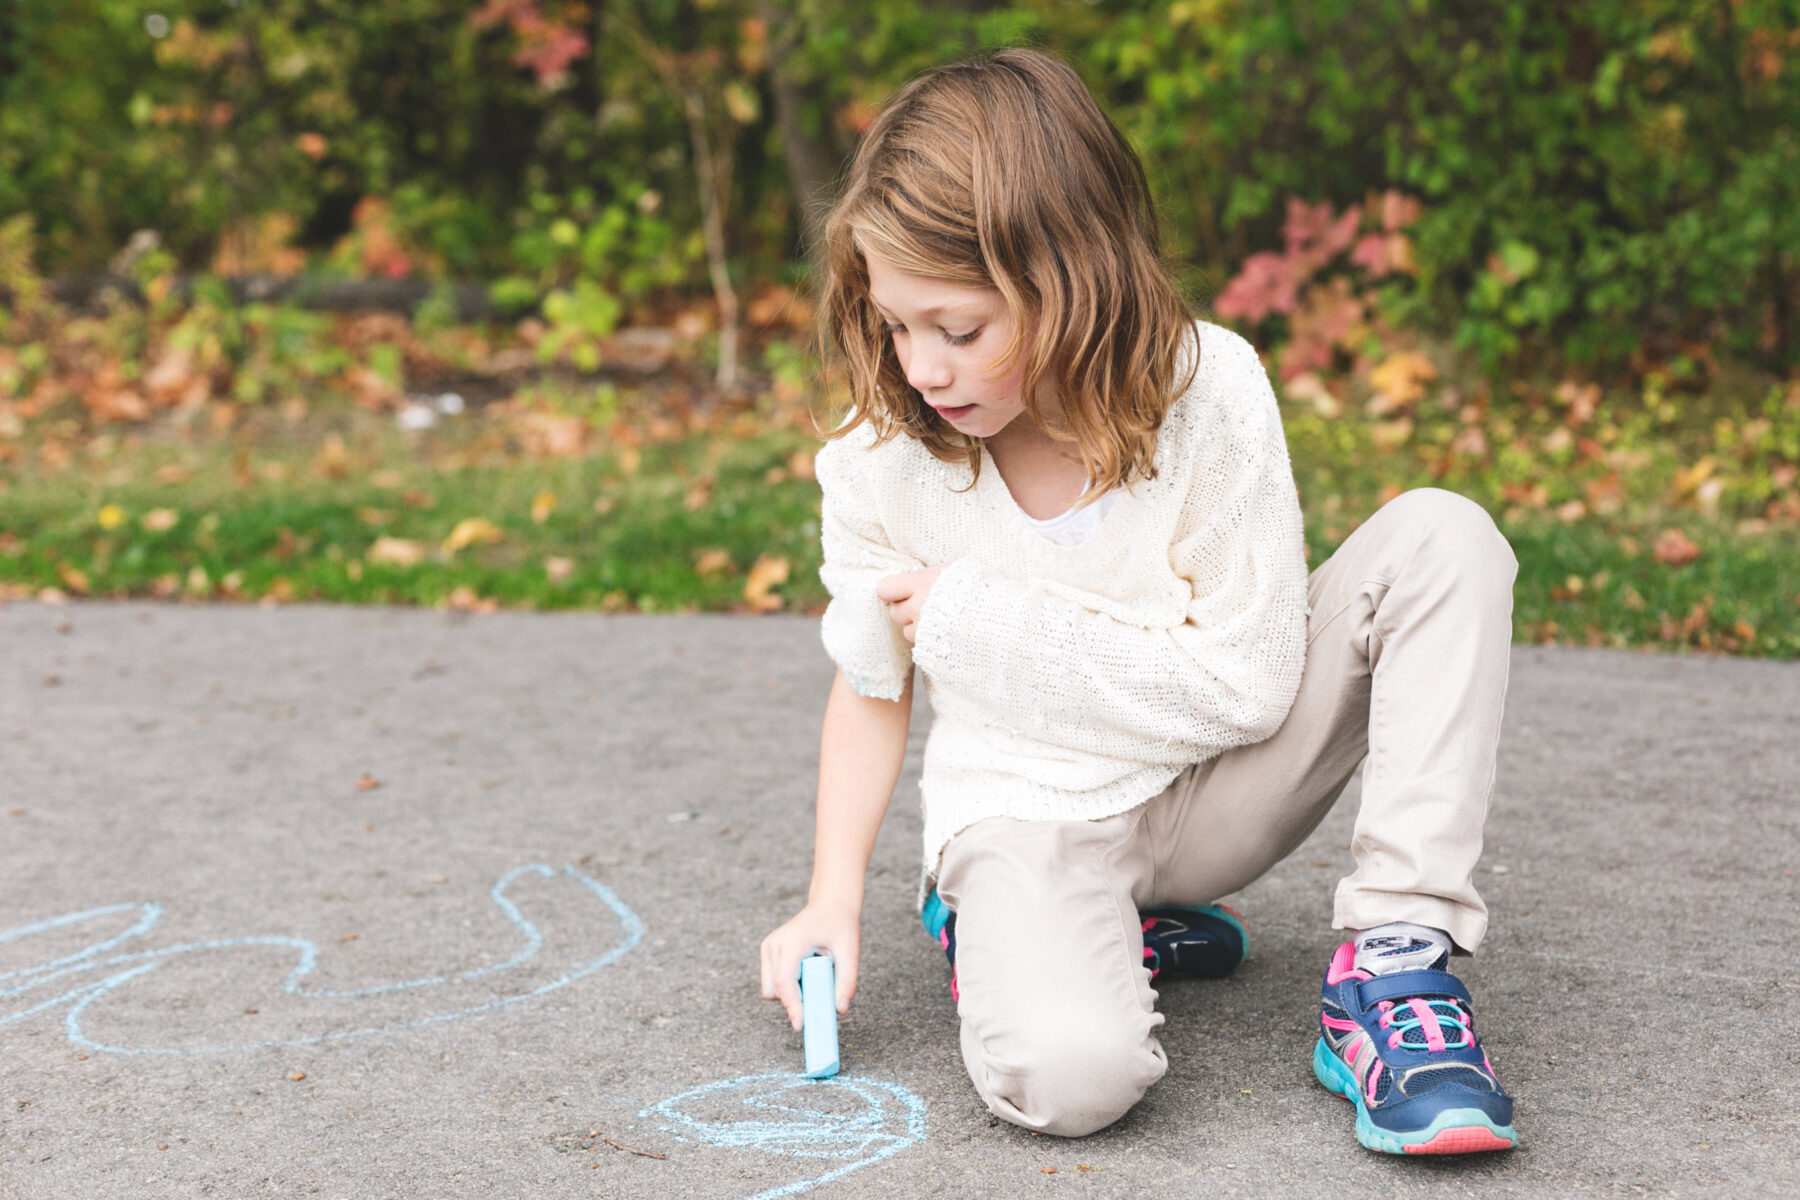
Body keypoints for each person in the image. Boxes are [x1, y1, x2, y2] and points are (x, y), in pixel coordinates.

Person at [757, 46, 1519, 1155]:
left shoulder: (1209, 391)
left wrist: (986, 626)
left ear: (1068, 278)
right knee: (1070, 1082)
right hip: (1031, 814)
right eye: (894, 324)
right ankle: (1016, 925)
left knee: (1444, 536)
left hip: (1213, 794)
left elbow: (1253, 687)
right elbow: (874, 685)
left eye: (958, 330)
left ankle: (1395, 967)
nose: (921, 366)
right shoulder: (881, 460)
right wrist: (831, 898)